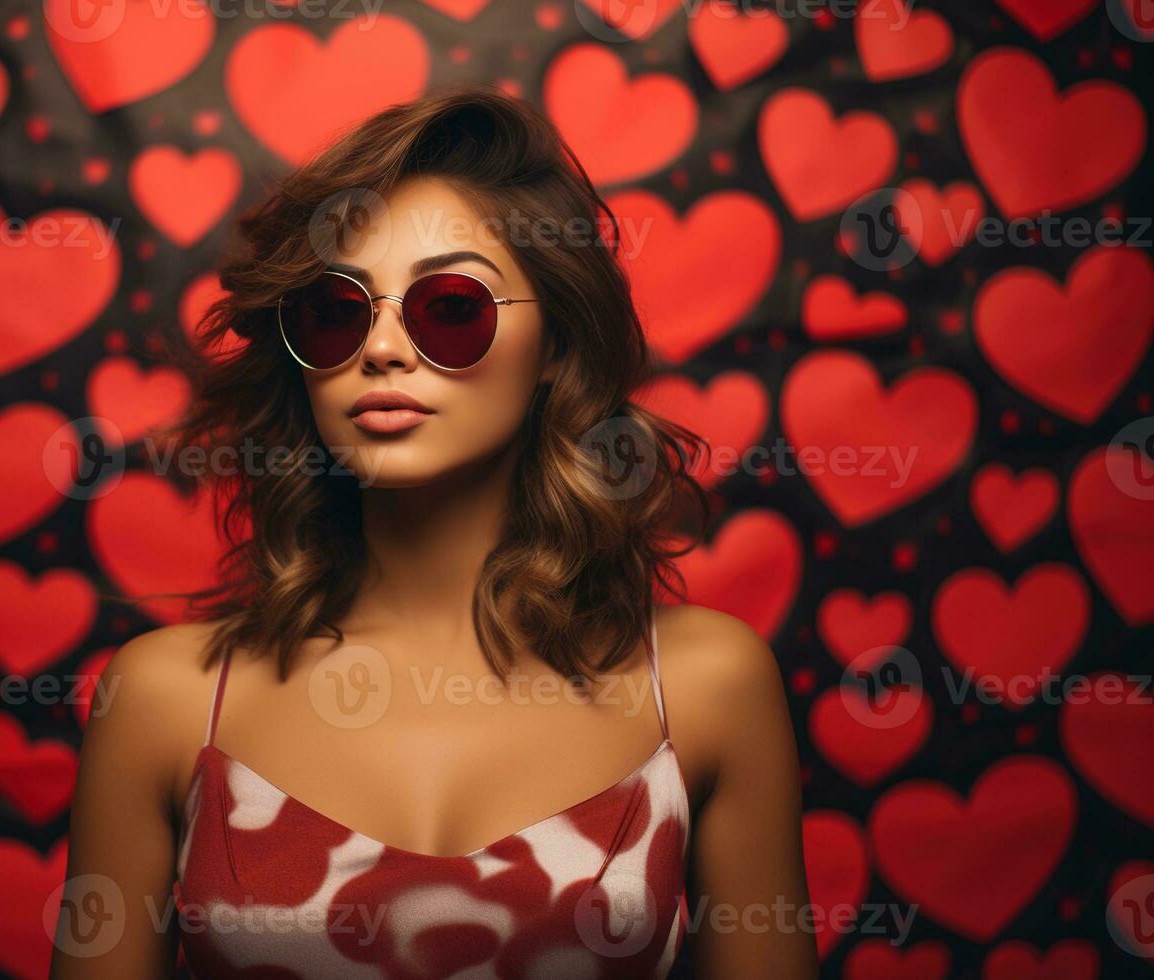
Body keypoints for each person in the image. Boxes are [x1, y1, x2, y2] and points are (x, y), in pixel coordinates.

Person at [53, 84, 818, 979]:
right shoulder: (164, 702)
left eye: (450, 306)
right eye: (337, 312)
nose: (381, 349)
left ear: (556, 352)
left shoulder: (701, 691)